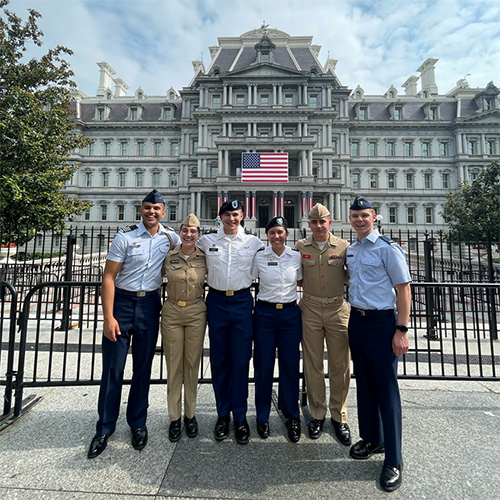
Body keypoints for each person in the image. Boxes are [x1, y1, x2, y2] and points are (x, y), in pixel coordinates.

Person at [87, 190, 180, 459]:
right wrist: (108, 317)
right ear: (141, 210)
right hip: (123, 304)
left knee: (143, 368)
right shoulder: (125, 237)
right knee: (113, 369)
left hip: (150, 305)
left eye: (157, 208)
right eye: (147, 207)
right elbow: (108, 277)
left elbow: (188, 251)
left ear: (164, 212)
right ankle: (105, 426)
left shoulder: (170, 238)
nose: (151, 212)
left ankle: (137, 423)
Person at [346, 195, 411, 493]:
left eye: (365, 215)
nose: (360, 220)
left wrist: (402, 329)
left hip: (383, 323)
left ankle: (394, 460)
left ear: (374, 216)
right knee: (365, 384)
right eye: (355, 215)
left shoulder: (388, 248)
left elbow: (403, 289)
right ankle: (373, 439)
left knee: (386, 388)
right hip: (357, 321)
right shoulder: (352, 250)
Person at [197, 200, 263, 444]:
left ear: (242, 215)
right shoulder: (207, 241)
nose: (232, 219)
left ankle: (240, 416)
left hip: (242, 301)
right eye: (227, 215)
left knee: (240, 360)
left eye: (235, 215)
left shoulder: (253, 243)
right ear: (220, 216)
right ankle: (222, 414)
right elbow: (182, 242)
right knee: (219, 360)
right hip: (215, 302)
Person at [294, 203, 351, 445]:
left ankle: (339, 415)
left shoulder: (344, 247)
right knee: (312, 363)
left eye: (323, 222)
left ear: (330, 223)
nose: (318, 226)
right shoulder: (300, 247)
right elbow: (294, 276)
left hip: (337, 309)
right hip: (310, 308)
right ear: (309, 224)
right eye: (314, 222)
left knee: (341, 365)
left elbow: (352, 275)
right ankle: (317, 413)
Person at [252, 217, 302, 443]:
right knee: (263, 366)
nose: (276, 236)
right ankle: (262, 416)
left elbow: (300, 281)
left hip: (290, 314)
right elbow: (249, 277)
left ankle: (292, 415)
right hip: (265, 314)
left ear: (287, 234)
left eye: (280, 232)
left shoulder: (296, 257)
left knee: (290, 365)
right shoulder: (260, 256)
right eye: (272, 232)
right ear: (267, 235)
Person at [161, 214, 206, 443]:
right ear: (180, 232)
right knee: (174, 365)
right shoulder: (168, 256)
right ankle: (173, 417)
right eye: (185, 230)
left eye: (193, 231)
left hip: (197, 311)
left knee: (191, 365)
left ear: (199, 235)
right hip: (171, 311)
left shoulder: (205, 257)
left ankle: (190, 415)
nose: (189, 234)